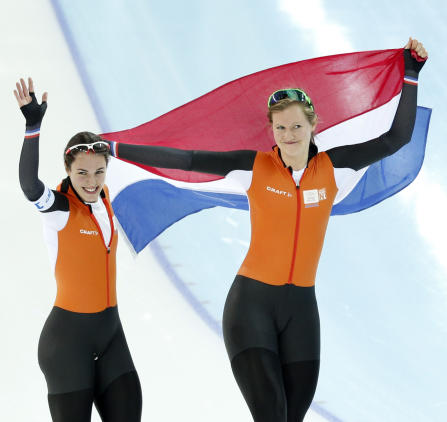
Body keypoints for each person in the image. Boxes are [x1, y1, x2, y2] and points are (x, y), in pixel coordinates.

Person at [106, 39, 427, 422]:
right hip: (251, 307)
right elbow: (187, 159)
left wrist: (410, 73)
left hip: (301, 312)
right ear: (271, 130)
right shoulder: (253, 166)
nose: (288, 134)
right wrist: (116, 148)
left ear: (312, 125)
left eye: (296, 126)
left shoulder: (336, 166)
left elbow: (397, 138)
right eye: (280, 127)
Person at [16, 77, 142, 421]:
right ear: (68, 171)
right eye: (82, 173)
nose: (91, 181)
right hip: (67, 344)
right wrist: (32, 127)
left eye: (99, 172)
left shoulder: (105, 201)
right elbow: (29, 186)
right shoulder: (58, 209)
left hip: (111, 334)